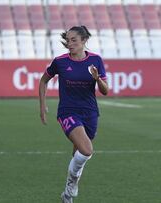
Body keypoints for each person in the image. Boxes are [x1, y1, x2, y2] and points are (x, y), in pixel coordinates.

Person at [38, 25, 108, 203]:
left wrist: (97, 78)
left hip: (90, 112)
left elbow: (105, 90)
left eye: (73, 40)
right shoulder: (60, 61)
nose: (69, 44)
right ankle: (72, 185)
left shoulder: (96, 60)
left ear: (84, 40)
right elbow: (44, 80)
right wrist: (42, 105)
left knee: (79, 153)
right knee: (87, 150)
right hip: (67, 112)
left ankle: (67, 194)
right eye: (67, 40)